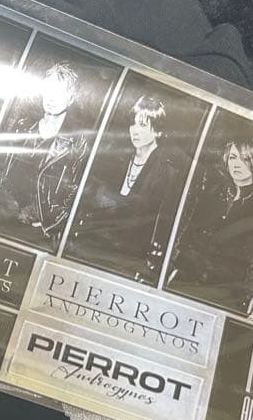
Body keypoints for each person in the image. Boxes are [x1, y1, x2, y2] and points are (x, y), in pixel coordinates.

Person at [0, 60, 91, 251]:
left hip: (36, 230)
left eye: (59, 92)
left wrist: (49, 223)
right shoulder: (23, 126)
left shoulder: (77, 142)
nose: (51, 98)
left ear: (71, 98)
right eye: (49, 90)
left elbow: (76, 190)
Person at [65, 95, 181, 283]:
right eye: (133, 124)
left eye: (142, 125)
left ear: (158, 131)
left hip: (130, 262)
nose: (135, 130)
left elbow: (163, 227)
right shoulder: (116, 158)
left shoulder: (168, 174)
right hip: (93, 248)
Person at [166, 137, 253, 316]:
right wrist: (175, 270)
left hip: (226, 288)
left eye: (245, 158)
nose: (236, 164)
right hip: (188, 276)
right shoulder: (215, 191)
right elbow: (189, 234)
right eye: (232, 157)